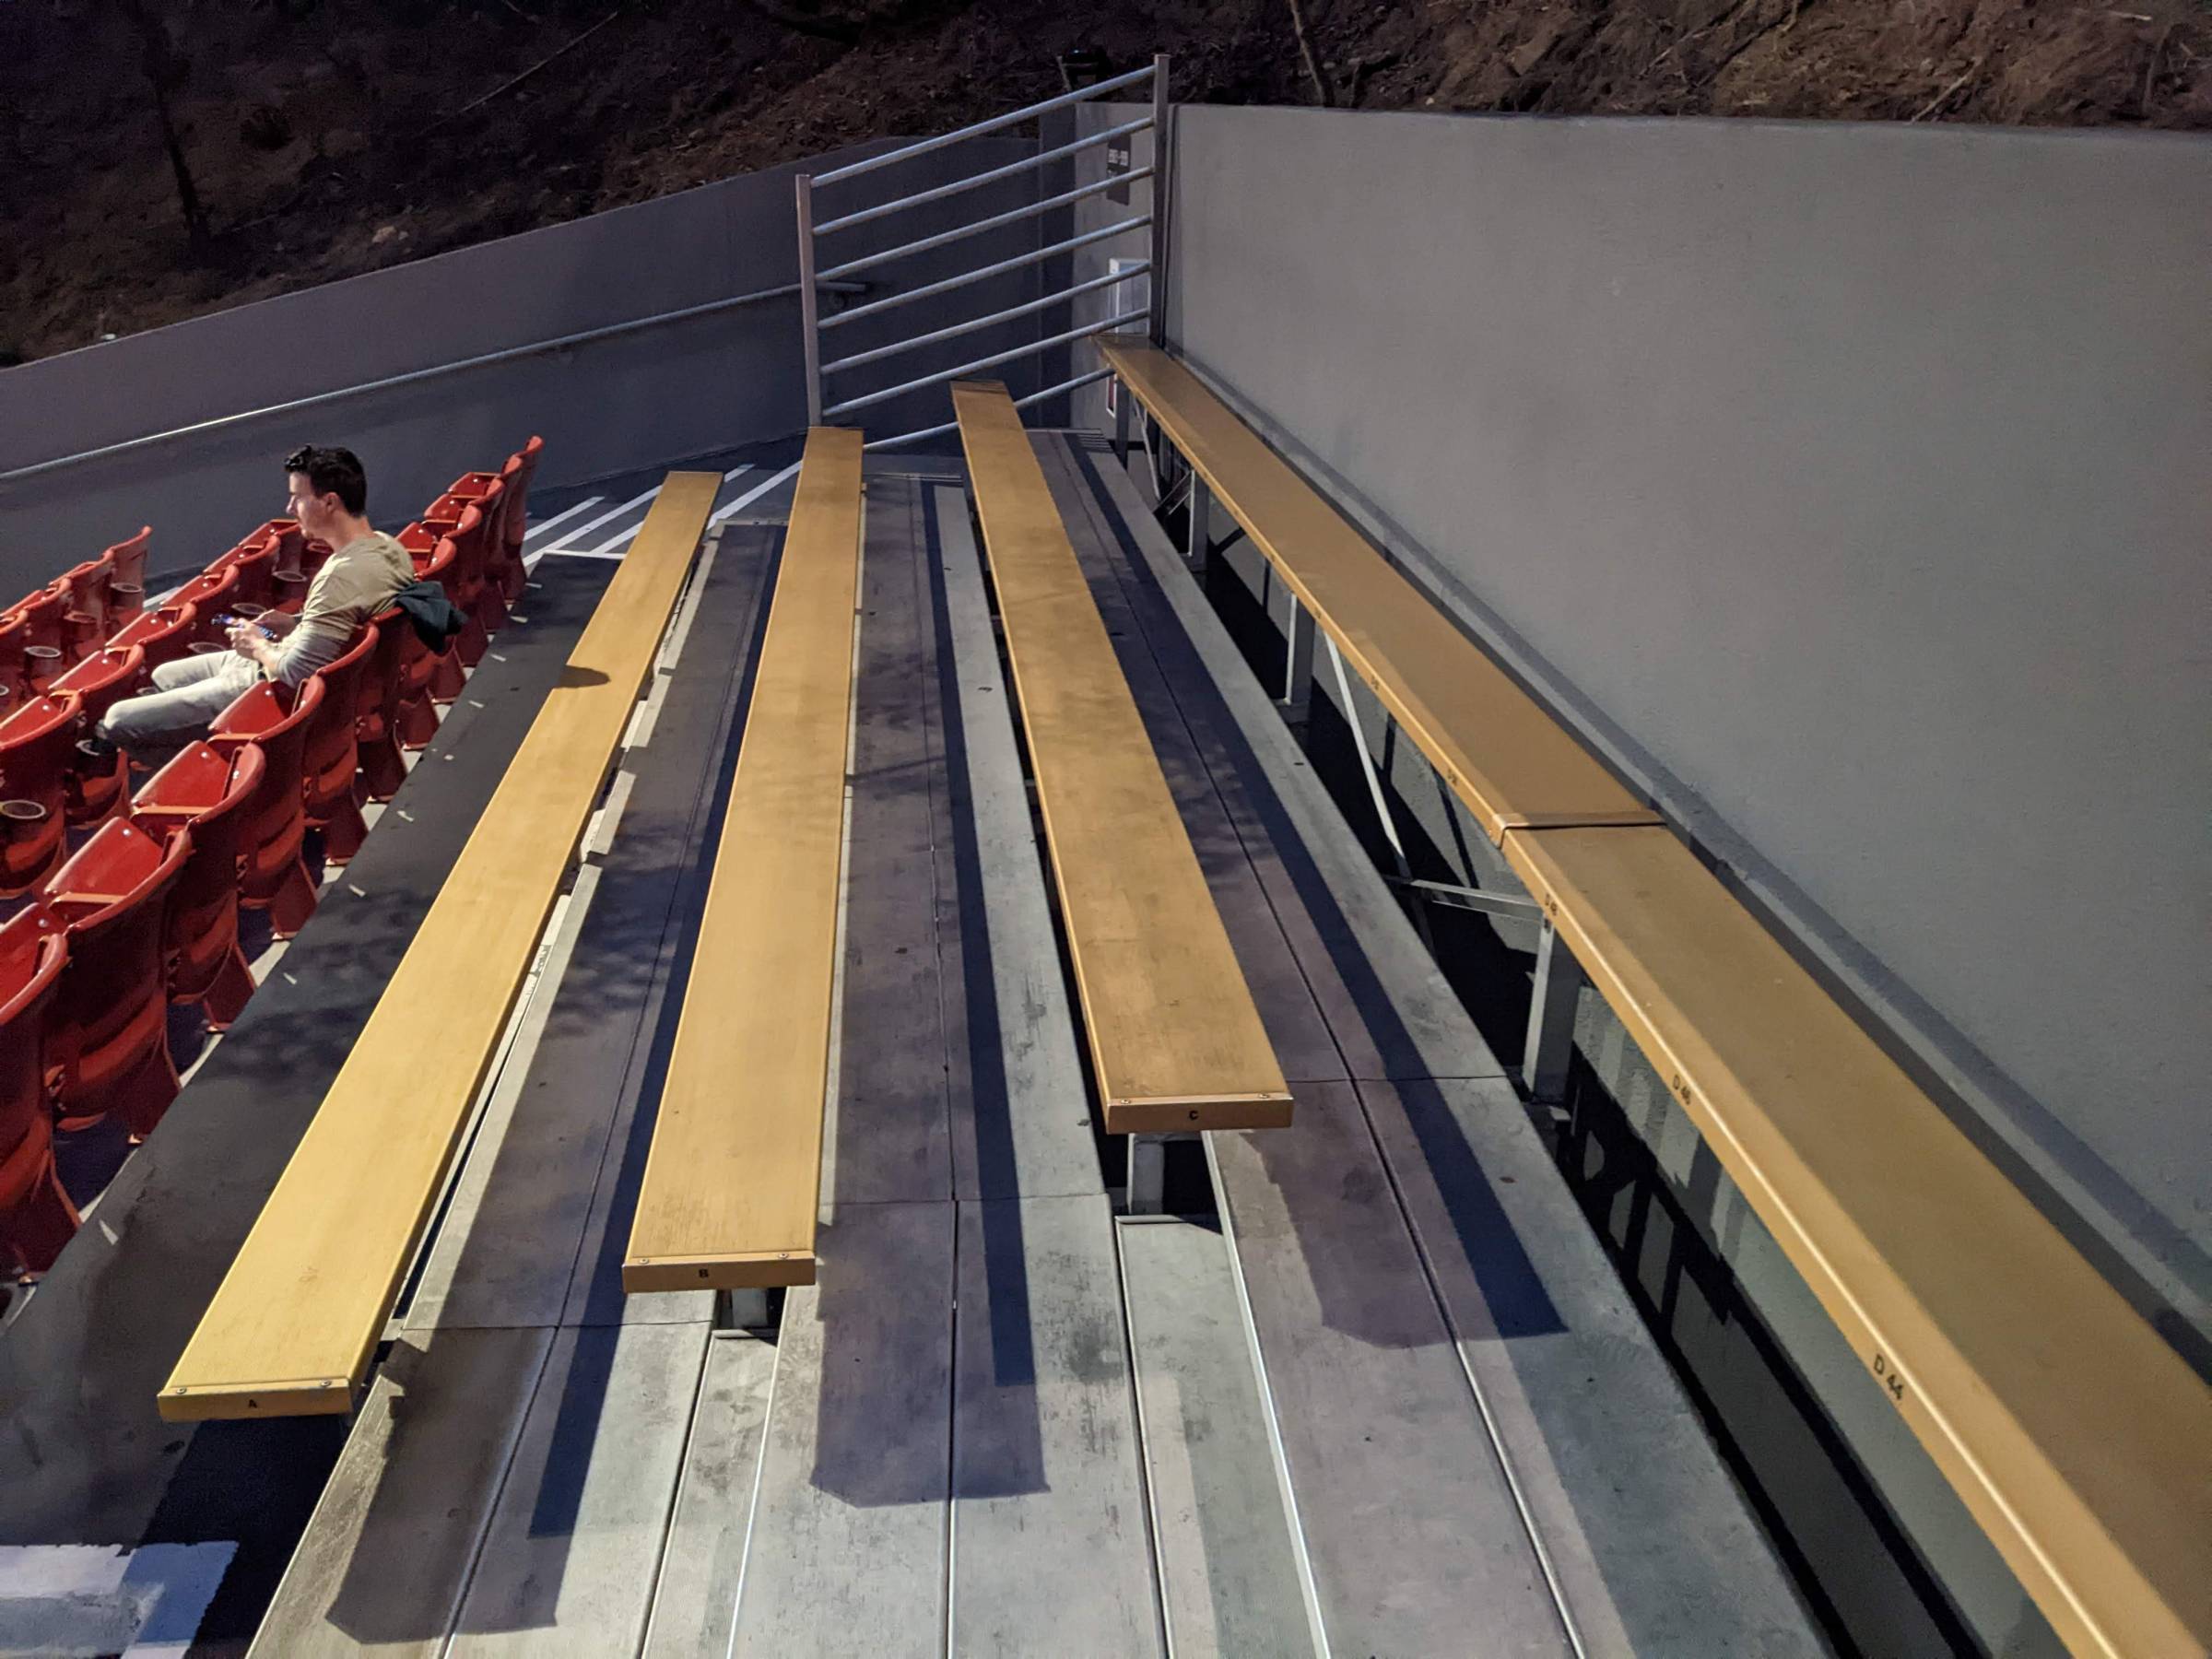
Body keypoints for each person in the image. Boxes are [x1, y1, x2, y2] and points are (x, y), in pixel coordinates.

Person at [96, 445, 415, 755]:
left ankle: (198, 763)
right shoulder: (388, 547)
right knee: (163, 675)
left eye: (298, 497)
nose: (290, 508)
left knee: (116, 720)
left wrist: (256, 646)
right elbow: (347, 616)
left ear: (329, 502)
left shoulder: (341, 576)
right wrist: (293, 623)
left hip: (267, 687)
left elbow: (296, 673)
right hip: (280, 654)